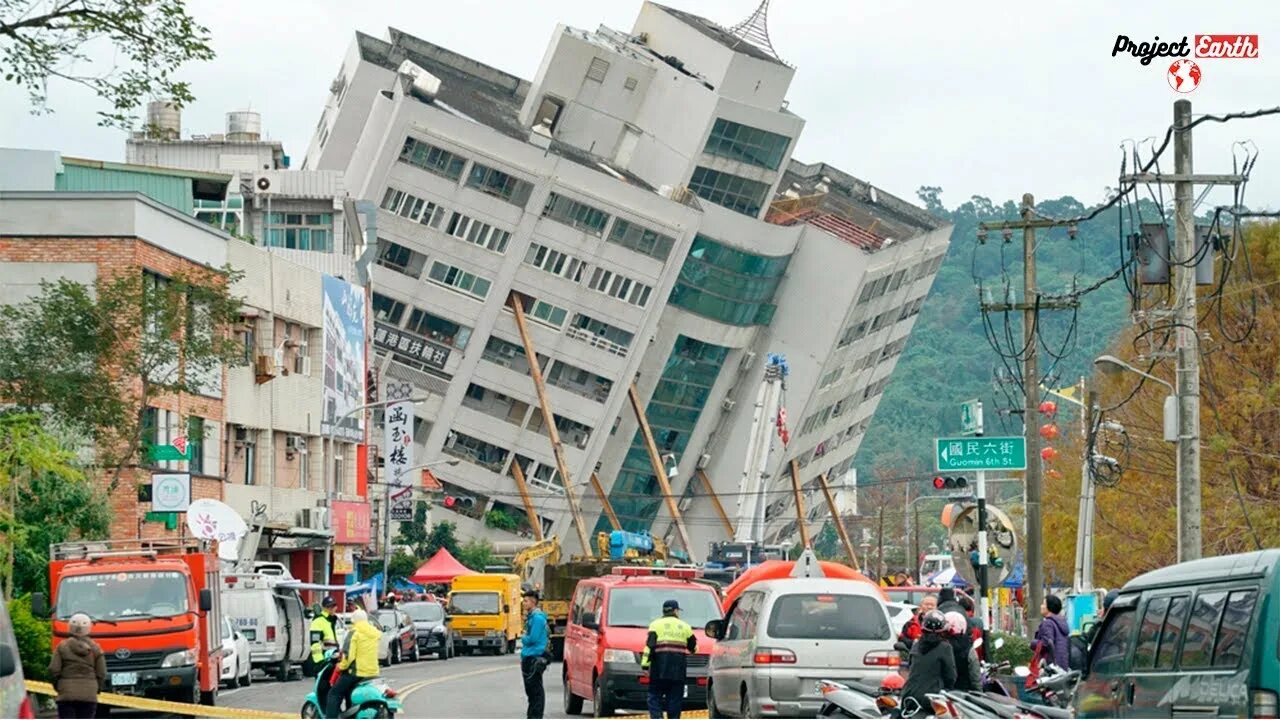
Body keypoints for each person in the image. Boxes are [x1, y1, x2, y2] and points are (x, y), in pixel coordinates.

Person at [641, 599, 696, 719]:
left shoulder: (655, 625)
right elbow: (693, 647)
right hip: (678, 670)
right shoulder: (685, 626)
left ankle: (657, 718)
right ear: (676, 611)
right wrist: (691, 650)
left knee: (654, 696)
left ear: (664, 611)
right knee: (675, 699)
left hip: (658, 669)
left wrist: (645, 665)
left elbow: (649, 647)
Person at [49, 613, 105, 719]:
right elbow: (101, 673)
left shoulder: (61, 647)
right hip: (89, 694)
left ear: (70, 627)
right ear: (89, 628)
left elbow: (53, 669)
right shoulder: (96, 649)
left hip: (66, 694)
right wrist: (97, 688)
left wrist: (58, 686)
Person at [899, 611, 956, 715]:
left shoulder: (916, 645)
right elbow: (951, 677)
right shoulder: (945, 647)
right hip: (931, 700)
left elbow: (911, 667)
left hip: (908, 696)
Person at [326, 608, 380, 719]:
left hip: (357, 672)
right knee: (349, 692)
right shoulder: (374, 632)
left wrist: (341, 667)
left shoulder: (354, 633)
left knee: (334, 693)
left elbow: (348, 656)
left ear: (354, 620)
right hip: (373, 672)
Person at [519, 589, 550, 719]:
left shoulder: (537, 618)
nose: (524, 604)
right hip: (528, 656)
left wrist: (523, 637)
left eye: (526, 601)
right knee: (531, 691)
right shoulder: (531, 617)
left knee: (535, 691)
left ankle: (536, 716)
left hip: (534, 657)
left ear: (533, 602)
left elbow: (533, 639)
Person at [944, 611, 980, 691]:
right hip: (963, 696)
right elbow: (975, 677)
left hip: (942, 693)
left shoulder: (939, 644)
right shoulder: (968, 648)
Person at [305, 596, 340, 678]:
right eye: (329, 607)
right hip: (323, 661)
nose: (332, 608)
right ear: (324, 608)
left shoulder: (333, 620)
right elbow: (315, 643)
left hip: (333, 659)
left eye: (334, 606)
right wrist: (319, 661)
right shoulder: (318, 621)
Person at [1034, 595, 1071, 670]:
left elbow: (1046, 643)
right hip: (1062, 665)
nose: (1041, 606)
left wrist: (1032, 643)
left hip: (1050, 666)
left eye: (1043, 604)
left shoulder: (1048, 623)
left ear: (1049, 607)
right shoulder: (1061, 623)